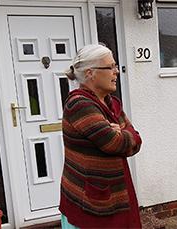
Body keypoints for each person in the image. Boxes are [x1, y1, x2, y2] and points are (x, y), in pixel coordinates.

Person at [59, 44, 143, 228]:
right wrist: (122, 134)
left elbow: (136, 140)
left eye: (115, 66)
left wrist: (124, 133)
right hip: (91, 203)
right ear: (90, 73)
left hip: (114, 197)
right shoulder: (79, 104)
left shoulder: (110, 102)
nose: (116, 72)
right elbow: (115, 143)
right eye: (110, 67)